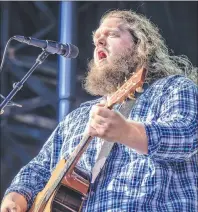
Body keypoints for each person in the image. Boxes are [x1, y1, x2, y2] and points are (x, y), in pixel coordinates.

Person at [1, 9, 197, 212]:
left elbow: (187, 138)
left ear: (141, 45)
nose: (99, 42)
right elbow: (39, 168)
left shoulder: (173, 88)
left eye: (112, 34)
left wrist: (127, 132)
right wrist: (15, 197)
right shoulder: (77, 117)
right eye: (96, 40)